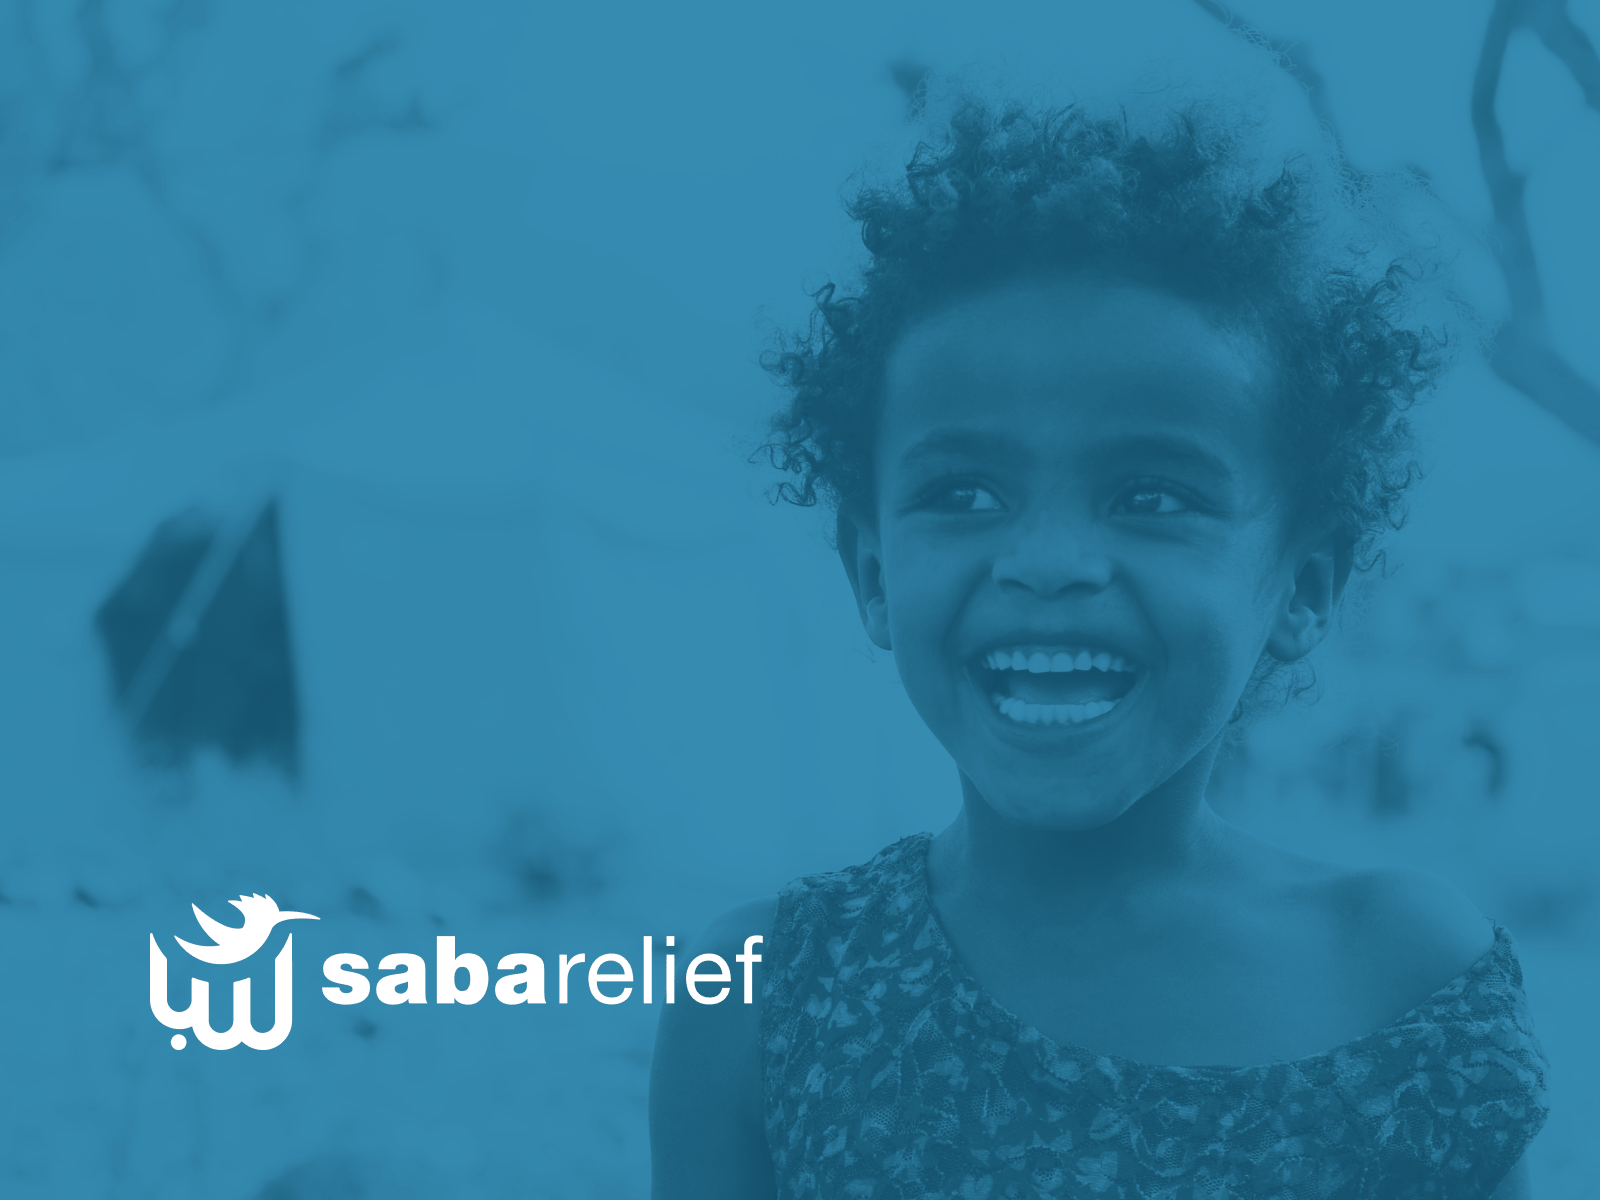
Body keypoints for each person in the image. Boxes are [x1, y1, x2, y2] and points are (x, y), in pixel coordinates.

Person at [649, 97, 1549, 1199]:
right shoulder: (769, 996)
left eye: (1151, 495)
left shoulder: (1400, 976)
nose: (1048, 562)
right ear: (873, 572)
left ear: (1303, 586)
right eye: (963, 492)